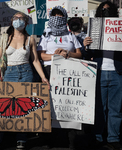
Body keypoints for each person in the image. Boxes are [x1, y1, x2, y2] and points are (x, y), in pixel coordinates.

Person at [0, 11, 49, 150]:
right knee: (3, 108)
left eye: (21, 18)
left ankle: (21, 139)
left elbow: (34, 60)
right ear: (11, 21)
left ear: (26, 22)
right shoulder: (5, 38)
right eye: (16, 18)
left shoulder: (30, 39)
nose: (18, 20)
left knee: (23, 109)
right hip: (9, 73)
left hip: (26, 73)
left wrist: (43, 77)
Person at [37, 6, 82, 149]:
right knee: (50, 105)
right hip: (50, 70)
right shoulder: (46, 35)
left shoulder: (71, 36)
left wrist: (67, 54)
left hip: (69, 71)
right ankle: (49, 139)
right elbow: (40, 55)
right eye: (55, 15)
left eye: (60, 15)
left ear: (65, 17)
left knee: (67, 104)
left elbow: (79, 54)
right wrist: (55, 56)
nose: (58, 17)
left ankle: (69, 139)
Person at [83, 1, 122, 149]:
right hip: (99, 72)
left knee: (116, 109)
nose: (105, 12)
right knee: (99, 108)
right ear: (99, 12)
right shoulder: (94, 28)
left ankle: (113, 138)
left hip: (117, 73)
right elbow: (88, 53)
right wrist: (86, 45)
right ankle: (98, 137)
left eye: (108, 10)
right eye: (103, 10)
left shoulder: (119, 28)